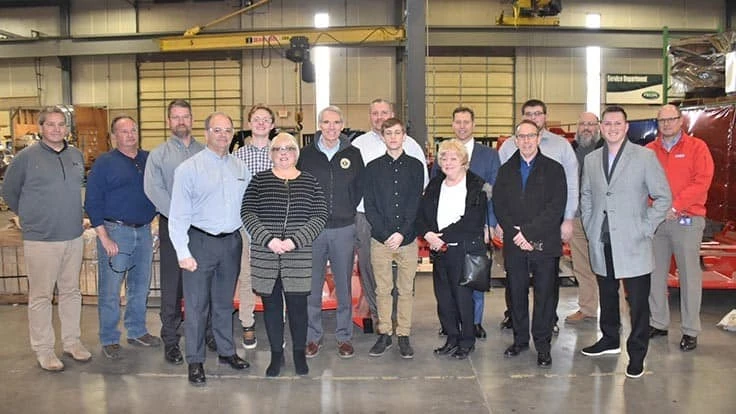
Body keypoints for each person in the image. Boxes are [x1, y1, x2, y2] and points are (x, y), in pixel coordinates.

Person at [579, 105, 671, 379]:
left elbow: (663, 197)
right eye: (607, 124)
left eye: (617, 123)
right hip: (602, 238)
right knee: (607, 294)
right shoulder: (592, 160)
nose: (612, 128)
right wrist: (590, 224)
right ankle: (609, 339)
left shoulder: (644, 157)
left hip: (633, 240)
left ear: (626, 127)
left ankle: (637, 354)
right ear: (601, 127)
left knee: (638, 301)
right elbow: (586, 195)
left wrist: (646, 227)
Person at [2, 106, 91, 371]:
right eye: (50, 124)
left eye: (61, 124)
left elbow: (79, 189)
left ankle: (72, 342)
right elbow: (9, 191)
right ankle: (44, 349)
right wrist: (29, 217)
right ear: (40, 128)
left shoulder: (75, 155)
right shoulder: (26, 157)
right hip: (41, 239)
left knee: (71, 292)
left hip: (72, 236)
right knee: (41, 296)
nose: (56, 129)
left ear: (67, 128)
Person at [169, 112, 251, 386]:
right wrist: (183, 252)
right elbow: (178, 214)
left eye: (227, 130)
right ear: (206, 133)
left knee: (224, 304)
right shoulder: (189, 169)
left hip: (231, 243)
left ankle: (227, 351)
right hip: (200, 243)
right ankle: (195, 360)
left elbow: (246, 209)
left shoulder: (240, 168)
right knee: (196, 306)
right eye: (217, 130)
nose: (223, 135)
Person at [241, 133, 328, 377]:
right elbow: (247, 212)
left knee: (298, 309)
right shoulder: (259, 181)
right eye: (278, 149)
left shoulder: (310, 182)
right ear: (271, 154)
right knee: (271, 309)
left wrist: (294, 241)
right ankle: (276, 355)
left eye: (289, 148)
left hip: (297, 255)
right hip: (266, 255)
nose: (283, 153)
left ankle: (299, 354)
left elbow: (319, 215)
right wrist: (268, 239)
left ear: (296, 153)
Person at [498, 99, 578, 333]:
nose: (533, 117)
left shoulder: (561, 150)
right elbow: (499, 195)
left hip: (546, 232)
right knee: (516, 287)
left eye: (538, 114)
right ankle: (517, 330)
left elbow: (566, 191)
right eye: (528, 114)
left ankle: (545, 330)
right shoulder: (507, 152)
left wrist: (568, 218)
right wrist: (508, 228)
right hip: (515, 233)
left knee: (546, 287)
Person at [84, 115, 160, 360]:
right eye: (124, 131)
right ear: (114, 136)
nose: (130, 135)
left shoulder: (148, 160)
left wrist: (155, 224)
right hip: (116, 232)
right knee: (111, 288)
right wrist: (104, 237)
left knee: (140, 285)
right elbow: (92, 201)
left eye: (133, 130)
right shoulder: (105, 163)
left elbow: (159, 191)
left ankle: (137, 331)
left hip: (144, 231)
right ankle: (109, 338)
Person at [493, 120, 567, 368]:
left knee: (545, 296)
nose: (526, 141)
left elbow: (556, 207)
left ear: (538, 138)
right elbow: (499, 205)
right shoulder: (506, 170)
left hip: (544, 243)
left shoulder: (554, 169)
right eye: (521, 137)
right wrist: (516, 233)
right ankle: (520, 340)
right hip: (515, 243)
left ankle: (543, 346)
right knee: (516, 293)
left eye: (530, 136)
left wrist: (528, 233)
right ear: (516, 141)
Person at [352, 99, 429, 331]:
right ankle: (380, 316)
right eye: (375, 113)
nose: (379, 117)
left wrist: (406, 226)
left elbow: (421, 187)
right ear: (369, 116)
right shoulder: (358, 145)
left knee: (403, 273)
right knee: (370, 268)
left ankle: (400, 318)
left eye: (384, 112)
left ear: (393, 114)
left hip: (404, 221)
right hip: (367, 217)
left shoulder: (412, 146)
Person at [144, 99, 208, 365]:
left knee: (203, 282)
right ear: (168, 121)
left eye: (185, 116)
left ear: (192, 120)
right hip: (173, 226)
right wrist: (180, 216)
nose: (181, 121)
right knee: (173, 285)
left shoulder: (205, 152)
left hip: (203, 228)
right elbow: (153, 189)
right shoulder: (158, 155)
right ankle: (171, 340)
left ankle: (205, 334)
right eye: (176, 117)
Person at [298, 105, 364, 359]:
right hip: (313, 230)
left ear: (342, 125)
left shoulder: (353, 154)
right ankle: (312, 337)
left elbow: (359, 188)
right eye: (326, 122)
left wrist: (345, 208)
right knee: (312, 286)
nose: (331, 127)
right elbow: (299, 186)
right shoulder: (306, 155)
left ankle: (344, 336)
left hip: (344, 229)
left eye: (336, 123)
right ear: (319, 125)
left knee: (344, 286)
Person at [646, 104, 714, 352]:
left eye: (671, 119)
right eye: (661, 120)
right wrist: (654, 209)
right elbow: (641, 184)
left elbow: (702, 181)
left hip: (687, 220)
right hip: (657, 221)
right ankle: (658, 322)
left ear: (680, 121)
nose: (666, 124)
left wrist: (675, 206)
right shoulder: (648, 151)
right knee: (654, 274)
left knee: (689, 276)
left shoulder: (697, 148)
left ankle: (690, 330)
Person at [430, 106, 500, 339]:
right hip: (446, 230)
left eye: (466, 122)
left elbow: (495, 192)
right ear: (452, 125)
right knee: (447, 281)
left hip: (476, 227)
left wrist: (491, 223)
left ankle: (475, 322)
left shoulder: (489, 156)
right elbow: (434, 192)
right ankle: (450, 323)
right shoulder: (442, 154)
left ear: (473, 125)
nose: (462, 126)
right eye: (457, 122)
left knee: (473, 273)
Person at [418, 139, 490, 360]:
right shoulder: (435, 184)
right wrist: (428, 234)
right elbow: (422, 213)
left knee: (463, 299)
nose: (447, 162)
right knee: (444, 299)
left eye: (453, 158)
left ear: (463, 161)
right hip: (440, 251)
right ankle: (451, 338)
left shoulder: (476, 186)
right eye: (443, 158)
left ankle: (467, 341)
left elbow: (473, 221)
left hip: (463, 251)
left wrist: (441, 238)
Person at [364, 118, 424, 359]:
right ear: (383, 136)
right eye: (388, 133)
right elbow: (370, 206)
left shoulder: (416, 166)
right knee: (383, 290)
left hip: (407, 240)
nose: (393, 137)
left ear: (404, 136)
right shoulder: (372, 168)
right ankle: (385, 333)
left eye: (397, 133)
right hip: (380, 240)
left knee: (406, 290)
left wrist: (401, 233)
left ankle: (404, 334)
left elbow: (415, 203)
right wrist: (386, 234)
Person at [233, 104, 277, 350]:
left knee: (275, 276)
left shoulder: (281, 153)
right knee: (247, 275)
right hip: (246, 227)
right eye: (256, 119)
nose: (261, 123)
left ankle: (276, 323)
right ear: (249, 124)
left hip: (275, 227)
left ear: (272, 125)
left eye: (266, 119)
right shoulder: (237, 157)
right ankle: (247, 323)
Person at [566, 112, 604, 324]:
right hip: (576, 217)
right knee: (581, 266)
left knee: (608, 267)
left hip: (601, 218)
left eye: (591, 124)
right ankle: (588, 308)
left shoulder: (607, 148)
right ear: (577, 127)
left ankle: (614, 312)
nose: (587, 128)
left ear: (598, 127)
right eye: (583, 124)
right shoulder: (569, 150)